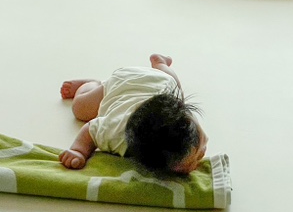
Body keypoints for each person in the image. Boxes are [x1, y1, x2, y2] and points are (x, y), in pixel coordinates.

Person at [59, 54, 208, 175]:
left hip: (161, 81)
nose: (202, 153)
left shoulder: (183, 120)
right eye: (195, 159)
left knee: (173, 85)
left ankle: (160, 65)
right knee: (79, 109)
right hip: (122, 83)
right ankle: (93, 85)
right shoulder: (115, 133)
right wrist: (79, 151)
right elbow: (90, 129)